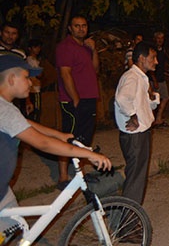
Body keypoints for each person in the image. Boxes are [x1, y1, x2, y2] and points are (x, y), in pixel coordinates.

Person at [0, 55, 111, 233]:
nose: (31, 83)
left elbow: (26, 124)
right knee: (13, 230)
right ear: (12, 79)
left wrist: (60, 135)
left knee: (16, 227)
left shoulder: (6, 107)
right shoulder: (4, 110)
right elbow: (42, 143)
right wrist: (89, 154)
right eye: (27, 77)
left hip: (3, 191)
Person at [56, 16, 100, 190]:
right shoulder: (65, 47)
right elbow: (65, 74)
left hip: (89, 98)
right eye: (77, 26)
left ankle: (79, 174)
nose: (81, 29)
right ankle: (63, 177)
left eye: (84, 25)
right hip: (73, 100)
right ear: (70, 28)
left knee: (83, 138)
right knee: (69, 137)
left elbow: (96, 69)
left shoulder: (86, 47)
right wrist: (75, 99)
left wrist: (94, 50)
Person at [114, 42, 160, 204]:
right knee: (136, 180)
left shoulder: (141, 77)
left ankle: (131, 218)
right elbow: (122, 99)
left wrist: (153, 97)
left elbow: (144, 103)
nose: (156, 61)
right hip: (135, 136)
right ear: (141, 58)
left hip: (142, 133)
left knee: (137, 177)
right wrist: (133, 116)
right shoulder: (132, 77)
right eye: (153, 58)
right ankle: (129, 223)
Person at [149, 31, 169, 128]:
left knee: (165, 97)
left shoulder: (163, 50)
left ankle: (158, 118)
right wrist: (154, 79)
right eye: (158, 38)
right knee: (152, 99)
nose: (160, 40)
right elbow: (150, 66)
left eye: (161, 38)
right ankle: (151, 120)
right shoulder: (152, 51)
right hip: (154, 79)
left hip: (161, 78)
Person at [26, 39, 44, 122]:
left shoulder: (35, 60)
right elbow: (38, 74)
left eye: (38, 47)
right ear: (30, 48)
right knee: (35, 111)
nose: (37, 49)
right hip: (34, 89)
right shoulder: (30, 60)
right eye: (35, 47)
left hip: (35, 88)